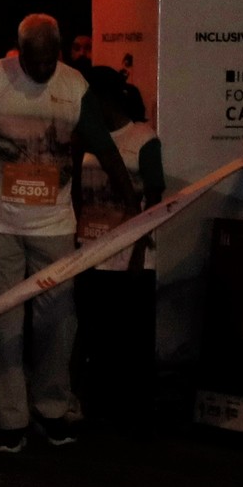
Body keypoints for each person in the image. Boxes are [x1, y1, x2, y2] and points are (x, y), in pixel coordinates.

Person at [0, 13, 132, 452]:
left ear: (60, 51)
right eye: (33, 61)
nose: (42, 69)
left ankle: (51, 408)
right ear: (19, 52)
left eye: (49, 60)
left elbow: (103, 146)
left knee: (57, 320)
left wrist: (131, 202)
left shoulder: (73, 86)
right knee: (1, 320)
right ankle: (8, 420)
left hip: (54, 224)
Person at [75, 66, 167, 426]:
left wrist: (139, 253)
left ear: (102, 98)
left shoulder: (143, 139)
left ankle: (133, 413)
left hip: (130, 256)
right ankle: (99, 408)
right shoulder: (85, 139)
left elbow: (155, 201)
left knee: (131, 337)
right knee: (95, 334)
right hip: (90, 252)